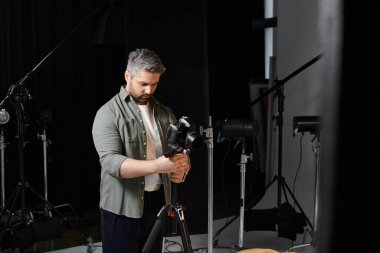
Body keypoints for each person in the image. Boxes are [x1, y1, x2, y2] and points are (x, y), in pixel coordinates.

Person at [92, 48, 190, 253]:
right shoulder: (107, 113)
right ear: (128, 76)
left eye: (154, 84)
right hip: (121, 207)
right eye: (143, 84)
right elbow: (111, 163)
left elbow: (179, 152)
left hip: (157, 205)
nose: (149, 90)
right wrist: (159, 166)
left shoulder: (165, 112)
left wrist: (182, 168)